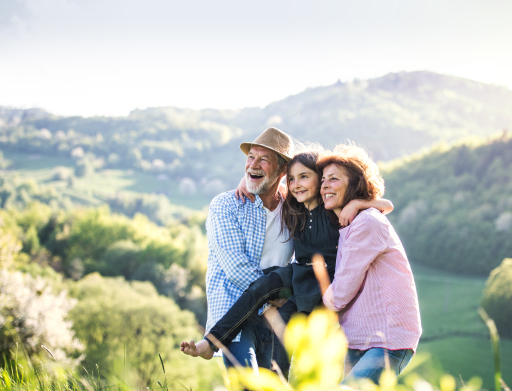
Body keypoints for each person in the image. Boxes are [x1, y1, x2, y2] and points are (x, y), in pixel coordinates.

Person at [181, 148, 394, 377]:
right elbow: (269, 189)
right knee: (259, 288)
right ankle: (211, 342)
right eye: (292, 179)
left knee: (283, 329)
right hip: (297, 273)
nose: (296, 184)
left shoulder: (331, 207)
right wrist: (246, 181)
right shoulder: (293, 207)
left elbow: (386, 205)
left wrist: (357, 204)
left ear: (320, 180)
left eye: (304, 177)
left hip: (323, 280)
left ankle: (278, 380)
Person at [191, 127, 296, 374]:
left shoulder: (294, 210)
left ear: (282, 170)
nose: (253, 165)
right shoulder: (226, 205)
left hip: (276, 319)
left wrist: (364, 202)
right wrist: (275, 298)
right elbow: (236, 268)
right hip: (235, 315)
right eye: (251, 157)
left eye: (263, 160)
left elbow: (324, 183)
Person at [319, 144, 422, 385]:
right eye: (323, 180)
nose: (325, 185)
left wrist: (319, 296)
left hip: (387, 339)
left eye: (333, 179)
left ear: (354, 184)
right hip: (356, 336)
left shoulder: (367, 222)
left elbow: (340, 295)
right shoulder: (350, 224)